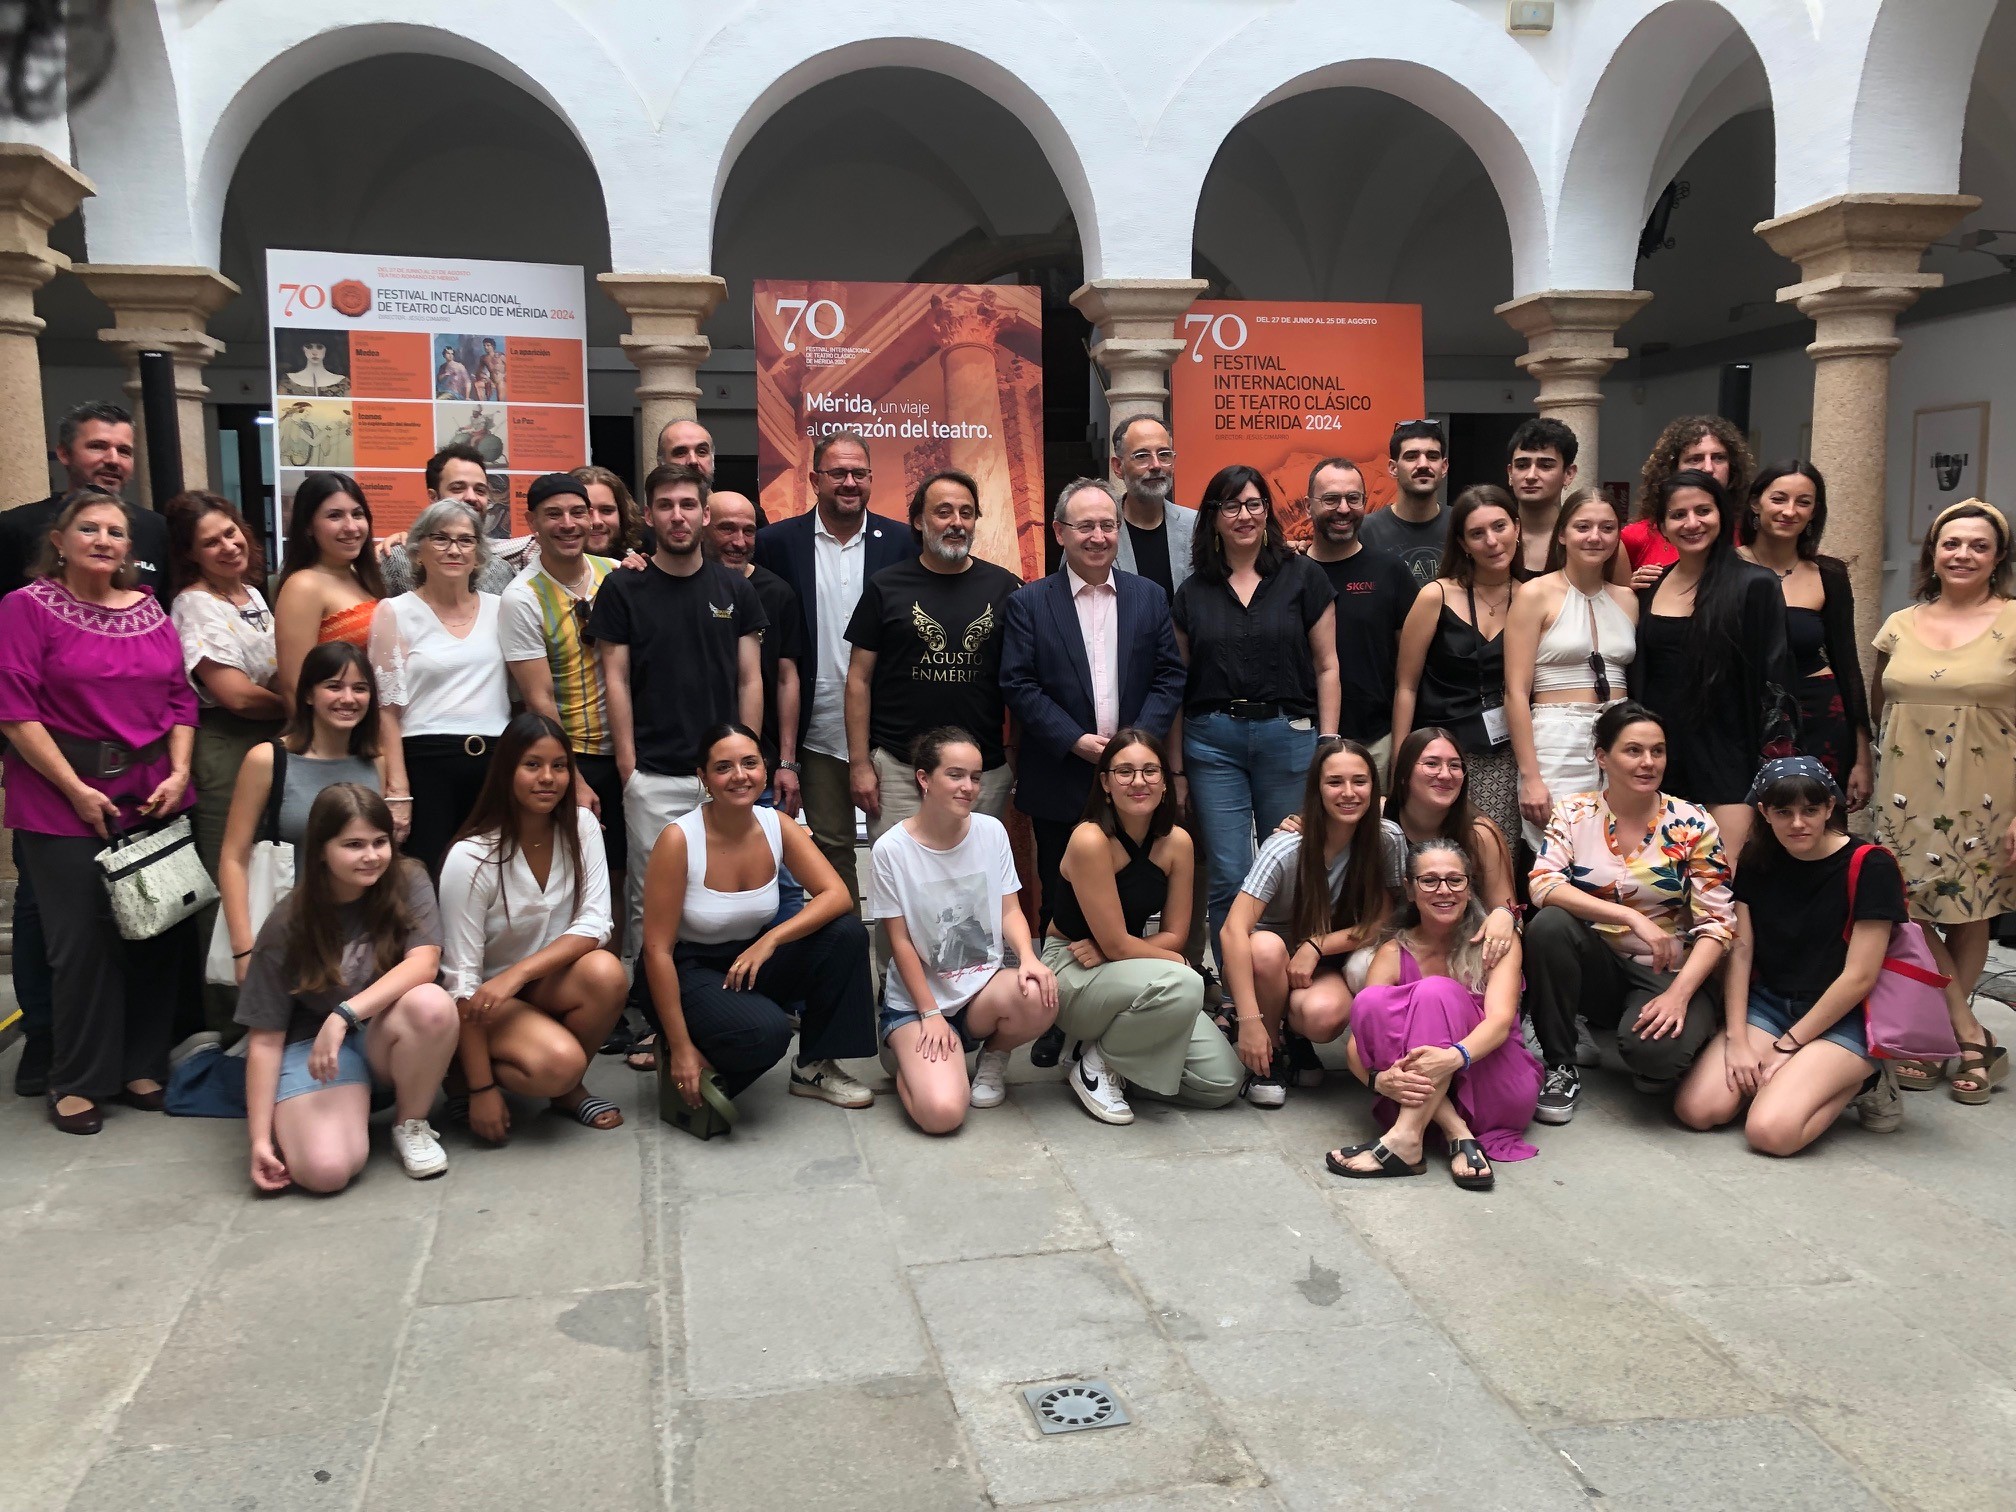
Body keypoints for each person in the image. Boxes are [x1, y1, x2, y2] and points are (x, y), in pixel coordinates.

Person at [0, 491, 199, 1134]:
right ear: (59, 540)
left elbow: (180, 701)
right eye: (88, 528)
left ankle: (143, 1065)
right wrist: (75, 790)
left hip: (151, 792)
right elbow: (14, 711)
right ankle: (80, 1078)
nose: (104, 540)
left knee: (156, 929)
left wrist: (179, 771)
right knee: (80, 944)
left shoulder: (150, 610)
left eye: (116, 531)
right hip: (60, 798)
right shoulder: (25, 608)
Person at [639, 723, 878, 1112]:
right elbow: (656, 951)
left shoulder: (776, 825)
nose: (739, 776)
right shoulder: (679, 839)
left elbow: (835, 896)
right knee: (766, 1033)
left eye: (750, 763)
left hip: (749, 959)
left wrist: (772, 939)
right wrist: (680, 1045)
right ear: (703, 777)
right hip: (686, 968)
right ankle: (683, 1053)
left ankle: (813, 1067)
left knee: (846, 932)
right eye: (723, 767)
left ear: (765, 771)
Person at [1674, 757, 1906, 1153]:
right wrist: (1737, 1039)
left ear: (1830, 808)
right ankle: (1789, 1082)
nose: (1798, 823)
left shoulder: (1871, 864)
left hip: (1847, 1014)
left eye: (1810, 810)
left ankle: (1868, 1080)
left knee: (1770, 1133)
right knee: (1699, 1110)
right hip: (1772, 1004)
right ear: (1764, 812)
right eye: (1784, 812)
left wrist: (1787, 1047)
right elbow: (1742, 951)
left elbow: (1860, 977)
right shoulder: (1757, 858)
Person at [590, 462, 765, 980]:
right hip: (655, 773)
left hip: (723, 778)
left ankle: (725, 999)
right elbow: (614, 680)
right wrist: (628, 767)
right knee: (650, 899)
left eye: (688, 505)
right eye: (665, 506)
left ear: (705, 514)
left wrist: (747, 759)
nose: (678, 516)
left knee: (729, 890)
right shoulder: (624, 589)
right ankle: (654, 1020)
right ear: (648, 515)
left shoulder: (735, 591)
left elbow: (750, 681)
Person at [236, 784, 458, 1189]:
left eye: (380, 842)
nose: (371, 856)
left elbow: (424, 963)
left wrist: (344, 1015)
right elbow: (265, 1041)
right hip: (316, 1051)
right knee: (325, 1173)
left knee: (432, 1003)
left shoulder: (408, 879)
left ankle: (411, 1125)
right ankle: (333, 1118)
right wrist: (259, 1140)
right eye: (353, 844)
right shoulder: (287, 923)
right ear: (321, 849)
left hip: (378, 1034)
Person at [1869, 499, 2016, 1102]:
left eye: (1978, 546)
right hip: (1906, 789)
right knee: (1905, 907)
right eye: (1951, 543)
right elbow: (1882, 706)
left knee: (1971, 910)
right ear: (1932, 552)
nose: (1963, 555)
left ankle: (1948, 1033)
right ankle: (1963, 1030)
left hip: (1987, 791)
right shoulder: (1899, 622)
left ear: (1998, 557)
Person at [1526, 701, 1734, 1124]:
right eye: (1633, 751)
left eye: (1657, 751)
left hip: (1666, 971)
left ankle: (1682, 1031)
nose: (1648, 762)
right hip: (1597, 965)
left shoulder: (1693, 822)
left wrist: (1679, 995)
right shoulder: (1575, 812)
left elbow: (1718, 924)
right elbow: (1542, 884)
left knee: (1654, 1058)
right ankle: (1560, 1065)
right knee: (1550, 925)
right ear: (1602, 756)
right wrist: (1632, 917)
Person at [1002, 477, 1185, 935]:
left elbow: (1169, 676)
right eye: (1085, 526)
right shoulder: (1028, 603)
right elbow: (1019, 683)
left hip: (1135, 783)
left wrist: (1133, 750)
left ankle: (1127, 989)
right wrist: (1075, 741)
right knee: (1060, 900)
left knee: (1133, 900)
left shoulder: (1149, 596)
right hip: (1060, 776)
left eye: (1108, 525)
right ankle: (1058, 998)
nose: (1098, 537)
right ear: (1060, 532)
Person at [1173, 465, 1340, 961]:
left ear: (1268, 512)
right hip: (1211, 743)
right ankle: (1234, 993)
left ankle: (1285, 992)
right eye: (1231, 505)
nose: (1244, 516)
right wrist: (1177, 767)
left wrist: (1328, 745)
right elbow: (1178, 686)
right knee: (1229, 873)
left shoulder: (1304, 576)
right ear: (1213, 517)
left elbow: (1328, 666)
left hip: (1288, 738)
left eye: (1254, 504)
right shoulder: (1193, 590)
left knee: (1288, 864)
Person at [438, 713, 627, 1140]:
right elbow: (463, 982)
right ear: (506, 771)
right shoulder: (470, 858)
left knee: (607, 973)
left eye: (559, 766)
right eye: (532, 765)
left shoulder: (581, 826)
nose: (548, 778)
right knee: (557, 1062)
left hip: (535, 983)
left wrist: (519, 974)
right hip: (484, 1005)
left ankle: (565, 1091)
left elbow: (597, 923)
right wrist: (484, 1090)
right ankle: (463, 1077)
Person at [1042, 731, 1242, 1121]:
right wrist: (1128, 950)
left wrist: (1113, 947)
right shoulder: (1090, 839)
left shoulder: (1177, 843)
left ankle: (1110, 1055)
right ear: (1104, 782)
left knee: (1222, 1083)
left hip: (1129, 964)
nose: (1138, 781)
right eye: (1125, 772)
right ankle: (1094, 1066)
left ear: (1165, 783)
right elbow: (1153, 950)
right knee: (1185, 981)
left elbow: (1175, 936)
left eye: (1150, 771)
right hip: (1072, 967)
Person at [870, 728, 1057, 1131]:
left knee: (1042, 994)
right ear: (924, 779)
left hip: (980, 994)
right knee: (943, 1116)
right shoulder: (890, 850)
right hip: (921, 1003)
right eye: (955, 775)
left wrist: (1028, 959)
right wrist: (931, 1012)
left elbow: (1010, 911)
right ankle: (906, 1062)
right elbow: (899, 942)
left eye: (975, 776)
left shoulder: (991, 831)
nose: (968, 787)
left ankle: (992, 1056)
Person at [1329, 837, 1540, 1184]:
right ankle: (1453, 1129)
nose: (1444, 890)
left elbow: (1501, 1022)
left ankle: (1406, 1139)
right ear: (1411, 891)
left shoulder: (1498, 941)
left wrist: (1454, 1057)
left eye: (1455, 880)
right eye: (1429, 880)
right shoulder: (1394, 951)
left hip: (1494, 1080)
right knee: (1369, 1001)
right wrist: (1378, 1080)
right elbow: (1361, 1042)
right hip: (1416, 1092)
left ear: (1469, 888)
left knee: (1435, 991)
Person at [752, 431, 908, 899]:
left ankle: (901, 957)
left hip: (886, 726)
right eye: (838, 473)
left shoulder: (901, 541)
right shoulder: (775, 543)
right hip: (814, 727)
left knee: (898, 847)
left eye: (859, 473)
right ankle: (849, 961)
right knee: (832, 845)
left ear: (871, 480)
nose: (849, 482)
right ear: (815, 479)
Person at [1218, 739, 1401, 1107]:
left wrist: (1318, 945)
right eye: (1335, 782)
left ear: (1374, 787)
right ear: (1316, 788)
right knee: (1265, 947)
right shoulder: (1285, 848)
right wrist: (1250, 1020)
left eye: (1360, 781)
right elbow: (1232, 929)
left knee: (1323, 1016)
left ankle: (1296, 1037)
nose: (1348, 793)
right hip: (1269, 961)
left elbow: (1386, 917)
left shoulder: (1387, 838)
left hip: (1326, 959)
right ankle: (1266, 1051)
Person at [1627, 469, 1797, 857]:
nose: (1692, 523)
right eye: (1678, 515)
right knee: (1660, 885)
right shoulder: (1650, 588)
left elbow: (1777, 685)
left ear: (1723, 515)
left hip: (1730, 761)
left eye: (1703, 510)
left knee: (1727, 884)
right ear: (1662, 526)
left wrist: (1773, 770)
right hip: (1660, 761)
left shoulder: (1756, 584)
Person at [846, 468, 1022, 838]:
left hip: (981, 774)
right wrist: (860, 764)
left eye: (966, 512)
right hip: (899, 771)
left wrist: (1012, 755)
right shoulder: (885, 586)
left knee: (974, 884)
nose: (956, 523)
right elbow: (858, 680)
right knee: (901, 885)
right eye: (943, 512)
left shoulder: (1006, 588)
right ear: (918, 521)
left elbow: (1022, 681)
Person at [166, 491, 287, 1028]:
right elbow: (235, 693)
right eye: (210, 541)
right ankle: (225, 1029)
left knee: (270, 878)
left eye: (231, 532)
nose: (227, 545)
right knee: (227, 884)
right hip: (224, 746)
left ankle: (271, 1016)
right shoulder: (195, 604)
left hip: (268, 742)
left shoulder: (253, 595)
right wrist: (300, 706)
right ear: (191, 554)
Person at [219, 642, 388, 981]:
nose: (348, 698)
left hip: (357, 938)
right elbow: (233, 858)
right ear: (308, 695)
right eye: (333, 686)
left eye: (360, 688)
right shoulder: (268, 760)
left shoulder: (375, 763)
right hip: (285, 933)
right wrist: (244, 949)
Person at [501, 473, 625, 908]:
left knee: (624, 874)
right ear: (533, 522)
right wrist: (573, 776)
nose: (569, 524)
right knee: (582, 883)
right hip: (576, 755)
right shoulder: (522, 598)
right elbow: (538, 701)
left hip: (630, 751)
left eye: (578, 512)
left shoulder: (617, 574)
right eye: (553, 515)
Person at [371, 500, 511, 873]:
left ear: (479, 555)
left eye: (466, 541)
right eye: (441, 539)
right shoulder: (394, 612)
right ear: (418, 551)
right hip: (426, 765)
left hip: (495, 766)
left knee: (491, 880)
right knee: (429, 878)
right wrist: (398, 791)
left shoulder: (503, 609)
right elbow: (386, 711)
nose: (454, 549)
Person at [1504, 488, 1637, 849]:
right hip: (1556, 739)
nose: (1595, 536)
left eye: (1607, 528)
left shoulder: (1627, 599)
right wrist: (1531, 775)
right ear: (1562, 534)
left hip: (1620, 737)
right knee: (1561, 849)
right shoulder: (1535, 594)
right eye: (1583, 526)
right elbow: (1515, 692)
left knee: (1618, 849)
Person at [1390, 484, 1522, 847]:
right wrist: (1400, 765)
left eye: (1499, 527)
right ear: (1462, 543)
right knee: (1435, 861)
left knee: (1495, 853)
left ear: (1517, 528)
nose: (1492, 541)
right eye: (1477, 534)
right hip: (1439, 755)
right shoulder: (1437, 595)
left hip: (1503, 757)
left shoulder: (1532, 597)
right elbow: (1406, 686)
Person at [1738, 462, 1873, 805]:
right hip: (1743, 718)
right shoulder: (1723, 567)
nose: (1789, 511)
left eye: (1803, 502)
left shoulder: (1829, 573)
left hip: (1820, 715)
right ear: (1756, 503)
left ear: (1814, 511)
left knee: (1818, 831)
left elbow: (1847, 664)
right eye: (1779, 499)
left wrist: (1861, 756)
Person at [1304, 456, 1417, 770]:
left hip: (1375, 743)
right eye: (1330, 499)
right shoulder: (1287, 573)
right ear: (1307, 506)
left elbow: (1410, 670)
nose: (1343, 509)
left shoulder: (1391, 571)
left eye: (1353, 499)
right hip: (1298, 744)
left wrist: (1400, 745)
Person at [0, 401, 170, 598]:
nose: (113, 460)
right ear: (64, 454)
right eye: (97, 446)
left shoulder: (157, 529)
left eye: (124, 451)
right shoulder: (14, 527)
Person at [1383, 728, 1520, 966]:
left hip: (1463, 948)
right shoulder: (1380, 818)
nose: (1445, 775)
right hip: (1391, 944)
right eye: (1432, 764)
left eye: (1455, 766)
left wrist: (1505, 915)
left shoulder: (1480, 833)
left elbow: (1508, 908)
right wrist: (1298, 823)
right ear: (1404, 773)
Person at [704, 489, 802, 813]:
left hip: (759, 767)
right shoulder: (684, 587)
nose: (739, 541)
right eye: (727, 529)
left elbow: (788, 679)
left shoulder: (778, 593)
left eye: (748, 531)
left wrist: (787, 762)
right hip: (692, 763)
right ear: (703, 526)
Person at [272, 471, 386, 700]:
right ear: (308, 527)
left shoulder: (363, 576)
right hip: (336, 729)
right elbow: (295, 686)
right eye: (335, 516)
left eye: (357, 514)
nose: (351, 527)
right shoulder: (303, 586)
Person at [1616, 415, 1755, 589]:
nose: (1708, 468)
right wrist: (1631, 591)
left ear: (1732, 466)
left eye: (1718, 458)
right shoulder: (1636, 537)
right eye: (1695, 459)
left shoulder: (1751, 531)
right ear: (1672, 469)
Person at [380, 445, 531, 594]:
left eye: (480, 490)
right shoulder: (396, 560)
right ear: (433, 497)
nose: (471, 497)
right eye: (458, 488)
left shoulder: (502, 571)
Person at [1110, 415, 1196, 599]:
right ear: (1118, 467)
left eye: (1164, 454)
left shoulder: (1196, 526)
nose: (1156, 465)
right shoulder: (1096, 531)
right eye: (1142, 456)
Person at [1359, 419, 1449, 588]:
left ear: (1443, 467)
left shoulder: (1463, 525)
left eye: (1432, 456)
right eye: (1411, 456)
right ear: (1393, 468)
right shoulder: (1365, 531)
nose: (1423, 464)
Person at [1505, 417, 1579, 578]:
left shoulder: (1587, 539)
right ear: (1510, 473)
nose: (1531, 476)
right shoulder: (1492, 537)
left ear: (1568, 474)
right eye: (1522, 465)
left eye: (1545, 466)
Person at [573, 464, 643, 559]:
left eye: (606, 510)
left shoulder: (636, 569)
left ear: (623, 515)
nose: (596, 521)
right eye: (584, 511)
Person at [278, 338, 349, 397]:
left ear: (326, 349)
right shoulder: (288, 380)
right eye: (309, 347)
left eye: (319, 347)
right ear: (302, 349)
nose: (314, 352)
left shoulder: (343, 382)